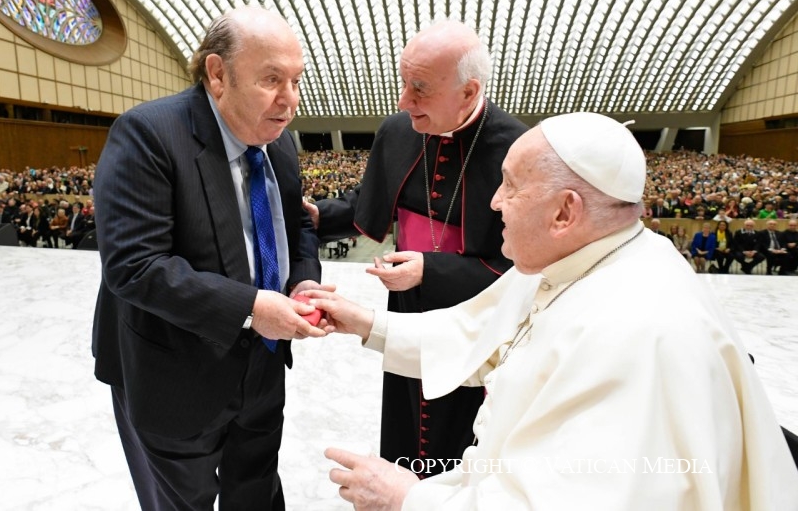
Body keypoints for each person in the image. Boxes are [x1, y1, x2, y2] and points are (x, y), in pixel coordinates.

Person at [306, 112, 798, 509]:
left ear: (565, 212)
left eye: (511, 186)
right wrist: (366, 324)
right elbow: (476, 333)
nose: (495, 202)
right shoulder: (576, 258)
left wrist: (407, 498)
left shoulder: (640, 333)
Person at [91, 6, 327, 510]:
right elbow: (135, 266)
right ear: (217, 74)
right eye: (271, 80)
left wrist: (303, 280)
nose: (290, 101)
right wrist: (252, 308)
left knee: (257, 492)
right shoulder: (148, 135)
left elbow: (298, 223)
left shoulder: (279, 144)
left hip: (263, 367)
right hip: (174, 374)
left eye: (295, 80)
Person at [306, 20, 528, 476]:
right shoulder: (399, 130)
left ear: (468, 93)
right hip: (405, 302)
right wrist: (318, 217)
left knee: (459, 437)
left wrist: (432, 270)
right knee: (407, 421)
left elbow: (525, 268)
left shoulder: (517, 148)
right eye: (403, 82)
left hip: (478, 312)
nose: (403, 100)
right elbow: (369, 201)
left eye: (420, 88)